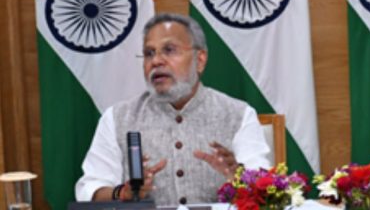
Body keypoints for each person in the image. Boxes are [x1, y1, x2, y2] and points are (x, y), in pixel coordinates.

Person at [75, 13, 270, 206]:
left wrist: (239, 176)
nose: (156, 61)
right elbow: (89, 189)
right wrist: (122, 193)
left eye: (169, 50)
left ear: (200, 60)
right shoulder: (118, 118)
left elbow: (266, 189)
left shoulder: (238, 114)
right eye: (149, 53)